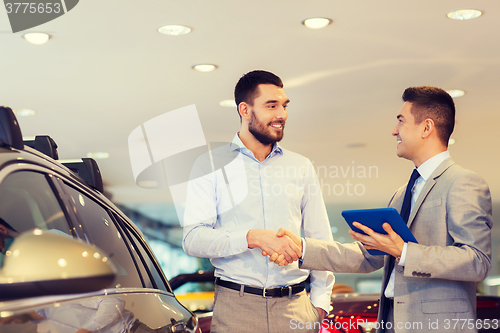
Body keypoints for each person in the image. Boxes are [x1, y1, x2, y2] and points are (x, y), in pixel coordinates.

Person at [273, 86, 493, 333]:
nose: (394, 131)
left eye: (401, 121)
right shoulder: (401, 194)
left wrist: (404, 251)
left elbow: (477, 261)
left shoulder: (463, 182)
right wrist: (302, 248)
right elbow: (369, 256)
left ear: (426, 127)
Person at [182, 70, 334, 332]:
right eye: (271, 106)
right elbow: (193, 239)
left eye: (284, 106)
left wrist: (319, 304)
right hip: (236, 309)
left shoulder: (301, 166)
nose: (282, 115)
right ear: (245, 109)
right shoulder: (209, 165)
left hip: (295, 308)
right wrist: (252, 237)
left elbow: (320, 239)